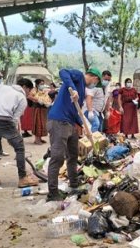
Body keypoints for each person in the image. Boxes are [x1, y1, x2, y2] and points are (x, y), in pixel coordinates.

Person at [46, 68, 100, 201]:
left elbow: (75, 111)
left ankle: (74, 185)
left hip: (70, 123)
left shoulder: (82, 91)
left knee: (73, 155)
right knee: (58, 157)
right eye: (96, 82)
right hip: (58, 121)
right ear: (94, 78)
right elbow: (63, 72)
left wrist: (83, 125)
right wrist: (72, 87)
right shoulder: (78, 77)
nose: (94, 85)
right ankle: (52, 193)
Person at [0, 78, 39, 188]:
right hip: (6, 120)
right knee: (19, 148)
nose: (29, 93)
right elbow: (15, 119)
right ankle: (22, 178)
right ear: (25, 87)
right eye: (29, 90)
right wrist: (15, 136)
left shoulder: (2, 87)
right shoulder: (22, 98)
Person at [29, 79, 52, 145]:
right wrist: (37, 100)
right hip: (37, 108)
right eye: (41, 84)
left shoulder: (43, 90)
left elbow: (46, 97)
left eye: (43, 84)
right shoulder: (34, 90)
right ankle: (37, 140)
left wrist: (48, 102)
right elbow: (29, 96)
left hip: (43, 108)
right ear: (37, 84)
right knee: (38, 123)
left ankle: (40, 138)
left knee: (42, 123)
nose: (42, 85)